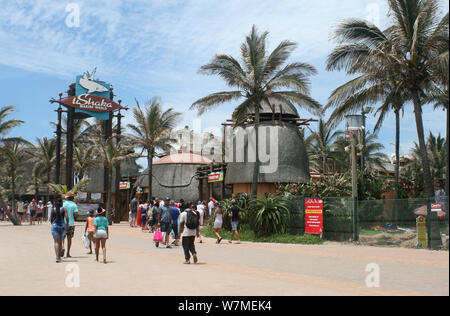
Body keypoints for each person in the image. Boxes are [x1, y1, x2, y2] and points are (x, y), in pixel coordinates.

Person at [50, 198, 68, 263]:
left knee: (56, 242)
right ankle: (59, 256)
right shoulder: (64, 209)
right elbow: (67, 218)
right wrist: (67, 225)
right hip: (62, 226)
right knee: (60, 241)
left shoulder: (53, 210)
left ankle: (57, 257)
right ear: (62, 203)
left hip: (55, 226)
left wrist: (53, 224)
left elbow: (51, 219)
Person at [63, 192, 78, 258]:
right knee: (69, 238)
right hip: (71, 224)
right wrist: (74, 218)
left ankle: (62, 247)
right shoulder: (74, 205)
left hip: (63, 223)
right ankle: (68, 253)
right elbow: (75, 214)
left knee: (62, 237)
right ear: (72, 198)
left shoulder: (63, 204)